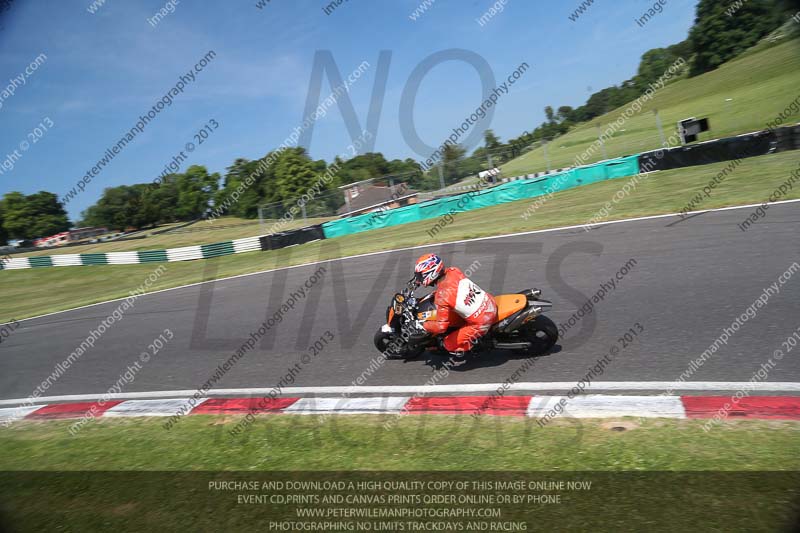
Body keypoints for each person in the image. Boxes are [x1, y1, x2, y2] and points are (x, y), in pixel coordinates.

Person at [413, 253, 497, 365]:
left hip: (482, 320)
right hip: (488, 300)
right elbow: (451, 289)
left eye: (420, 276)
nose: (419, 279)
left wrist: (423, 325)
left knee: (448, 344)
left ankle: (472, 347)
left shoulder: (442, 297)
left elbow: (441, 327)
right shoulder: (453, 271)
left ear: (431, 273)